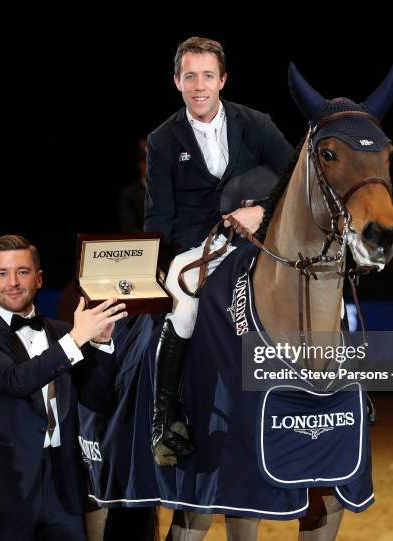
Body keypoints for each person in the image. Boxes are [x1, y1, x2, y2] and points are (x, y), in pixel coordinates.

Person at [144, 36, 294, 466]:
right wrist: (163, 266)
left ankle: (349, 388)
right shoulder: (162, 140)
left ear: (222, 79)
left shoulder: (256, 123)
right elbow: (158, 215)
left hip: (255, 239)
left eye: (207, 75)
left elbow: (293, 177)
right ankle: (165, 420)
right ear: (177, 82)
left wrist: (262, 212)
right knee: (185, 304)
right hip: (196, 248)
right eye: (189, 76)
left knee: (316, 274)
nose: (199, 85)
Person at [0, 234, 127, 541]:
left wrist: (100, 344)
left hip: (64, 484)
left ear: (39, 279)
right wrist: (76, 339)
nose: (13, 282)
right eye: (2, 273)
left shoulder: (61, 332)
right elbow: (16, 381)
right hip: (4, 486)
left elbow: (97, 399)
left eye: (23, 271)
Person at [119, 138, 148, 232]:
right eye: (147, 161)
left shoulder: (172, 189)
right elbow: (128, 228)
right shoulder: (129, 194)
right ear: (140, 164)